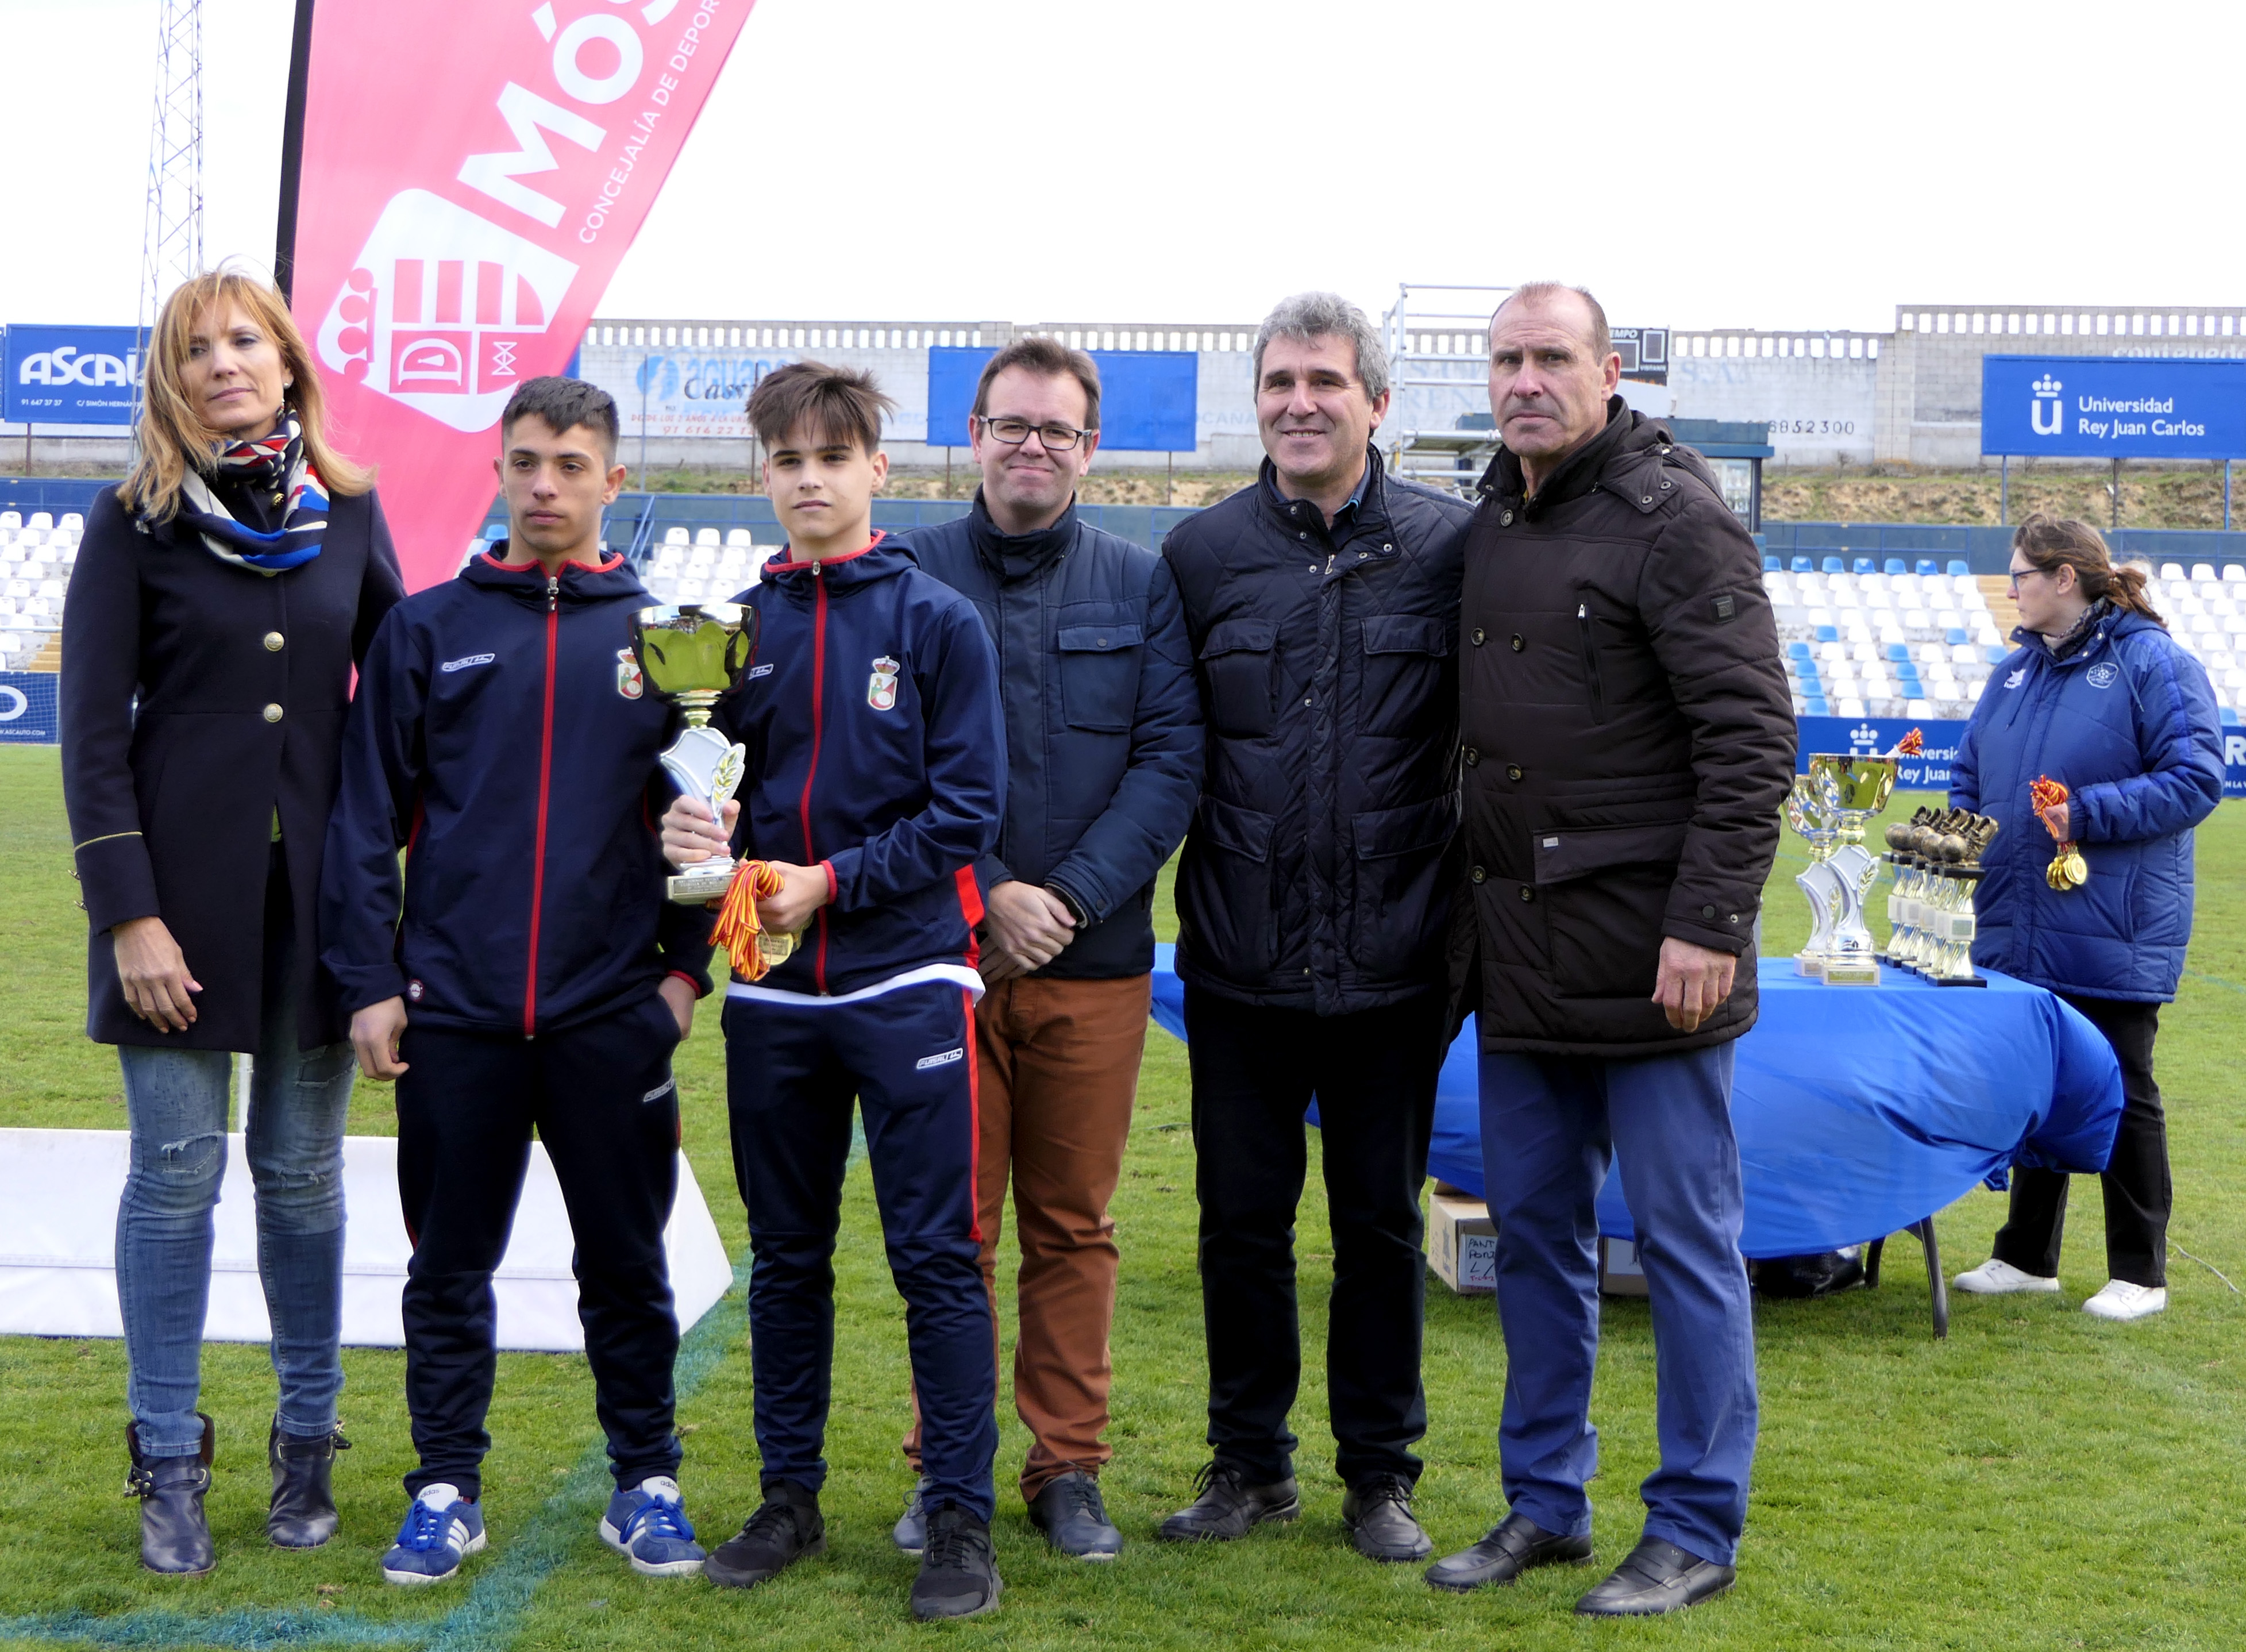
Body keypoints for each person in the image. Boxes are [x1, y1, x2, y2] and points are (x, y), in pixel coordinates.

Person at [1433, 282, 1793, 1617]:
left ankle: (1695, 1523)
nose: (1524, 380)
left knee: (1685, 1247)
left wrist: (1706, 922)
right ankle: (1545, 1502)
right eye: (1505, 359)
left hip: (1655, 957)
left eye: (1550, 357)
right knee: (1533, 1239)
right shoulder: (1490, 517)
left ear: (1606, 373)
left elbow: (1750, 738)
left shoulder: (1677, 518)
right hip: (1521, 955)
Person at [321, 377, 716, 1586]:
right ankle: (445, 1487)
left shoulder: (668, 641)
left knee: (627, 1266)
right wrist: (370, 981)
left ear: (611, 479)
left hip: (612, 1015)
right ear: (499, 469)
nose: (546, 485)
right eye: (527, 462)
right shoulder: (426, 629)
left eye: (572, 464)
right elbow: (362, 820)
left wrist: (681, 981)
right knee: (447, 1267)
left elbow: (712, 827)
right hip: (456, 1015)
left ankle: (644, 1481)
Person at [60, 265, 404, 1576]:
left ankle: (307, 1442)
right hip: (174, 912)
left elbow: (405, 696)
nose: (222, 364)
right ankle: (167, 1457)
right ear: (172, 379)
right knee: (174, 1176)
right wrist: (129, 918)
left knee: (303, 1176)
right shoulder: (131, 522)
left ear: (287, 362)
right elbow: (93, 738)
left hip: (317, 906)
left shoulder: (350, 512)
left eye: (244, 341)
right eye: (196, 349)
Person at [658, 362, 1008, 1620]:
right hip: (771, 988)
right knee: (787, 1258)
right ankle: (787, 1498)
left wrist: (833, 883)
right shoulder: (732, 631)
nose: (809, 479)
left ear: (877, 469)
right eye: (788, 460)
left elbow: (968, 813)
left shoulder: (936, 621)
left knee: (935, 1258)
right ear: (764, 475)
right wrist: (692, 833)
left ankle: (959, 1519)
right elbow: (712, 795)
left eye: (831, 457)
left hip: (908, 975)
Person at [1155, 292, 1470, 1563]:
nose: (1299, 403)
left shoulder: (1452, 548)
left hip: (1396, 962)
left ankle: (1379, 1478)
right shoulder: (1200, 554)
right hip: (1238, 960)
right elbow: (1168, 749)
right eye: (1279, 382)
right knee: (1239, 1228)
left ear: (1375, 402)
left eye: (1324, 382)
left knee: (1380, 1230)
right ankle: (1248, 1466)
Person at [892, 338, 1201, 1561]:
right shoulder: (906, 572)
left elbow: (1169, 764)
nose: (1032, 445)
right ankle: (947, 1469)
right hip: (938, 961)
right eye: (1011, 425)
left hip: (1093, 960)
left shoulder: (1141, 582)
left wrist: (1061, 899)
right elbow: (886, 769)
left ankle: (1065, 1467)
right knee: (950, 1232)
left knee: (1073, 1226)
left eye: (1055, 430)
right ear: (973, 435)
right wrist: (985, 896)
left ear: (1089, 447)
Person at [1948, 516, 2222, 1322]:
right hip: (2015, 920)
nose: (2011, 590)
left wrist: (2086, 814)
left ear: (2064, 576)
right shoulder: (2011, 674)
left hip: (2113, 921)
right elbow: (1969, 776)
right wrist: (1956, 843)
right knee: (2039, 1083)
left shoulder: (2153, 662)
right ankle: (2025, 1257)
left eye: (2021, 575)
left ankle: (2140, 1272)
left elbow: (2196, 777)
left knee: (2123, 1089)